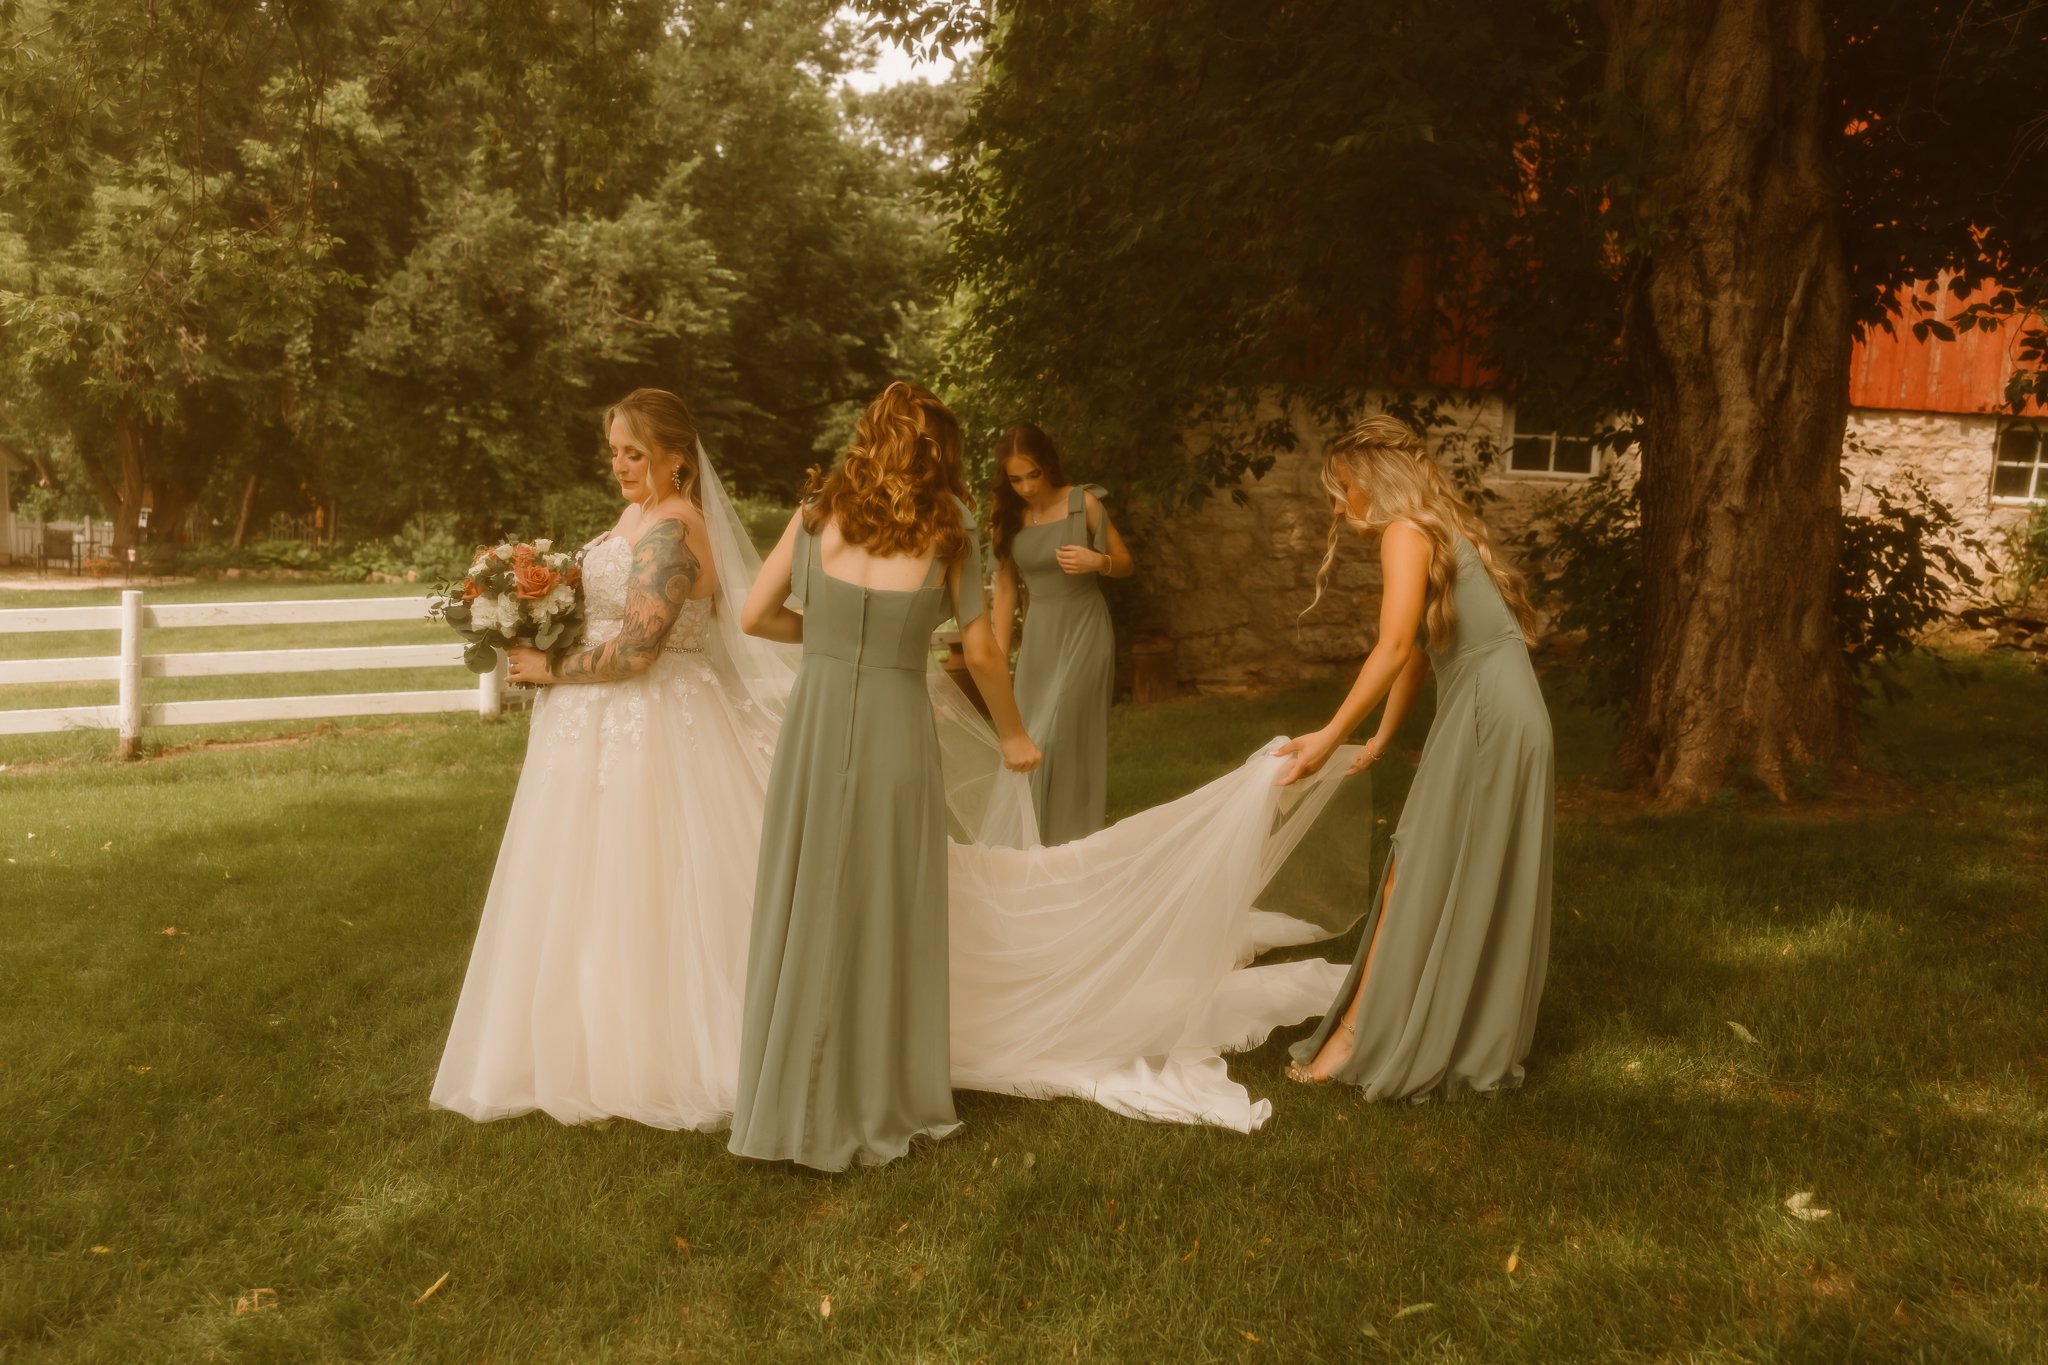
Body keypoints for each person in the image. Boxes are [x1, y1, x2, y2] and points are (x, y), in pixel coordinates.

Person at [431, 388, 770, 1130]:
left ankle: (663, 1056)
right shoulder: (633, 517)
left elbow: (641, 649)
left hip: (658, 724)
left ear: (675, 459)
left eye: (634, 453)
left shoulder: (675, 529)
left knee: (650, 879)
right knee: (582, 883)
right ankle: (583, 1044)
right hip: (593, 725)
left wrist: (549, 668)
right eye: (613, 450)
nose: (618, 465)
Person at [727, 382, 1041, 1170]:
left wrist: (830, 634)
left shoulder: (816, 512)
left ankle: (787, 1094)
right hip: (898, 723)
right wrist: (1013, 736)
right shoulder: (953, 526)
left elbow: (755, 615)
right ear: (941, 447)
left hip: (817, 721)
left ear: (869, 437)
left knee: (809, 893)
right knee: (884, 900)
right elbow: (980, 650)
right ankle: (877, 1091)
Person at [1277, 414, 1555, 1100]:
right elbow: (1421, 656)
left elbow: (1395, 647)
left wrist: (1327, 731)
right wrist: (1379, 736)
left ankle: (1358, 1038)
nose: (1339, 505)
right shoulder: (1433, 530)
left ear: (1374, 480)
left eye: (1342, 487)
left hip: (1491, 714)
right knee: (1440, 864)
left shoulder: (1406, 533)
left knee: (1418, 864)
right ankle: (1407, 1027)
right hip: (1505, 710)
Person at [988, 423, 1134, 844]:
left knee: (1064, 731)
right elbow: (1003, 589)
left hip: (1085, 626)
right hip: (1040, 634)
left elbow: (1125, 563)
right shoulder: (1007, 516)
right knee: (1033, 733)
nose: (1027, 487)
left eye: (1032, 474)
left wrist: (1098, 561)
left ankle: (1074, 838)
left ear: (1047, 464)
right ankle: (1032, 838)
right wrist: (998, 653)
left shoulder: (1081, 503)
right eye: (1016, 479)